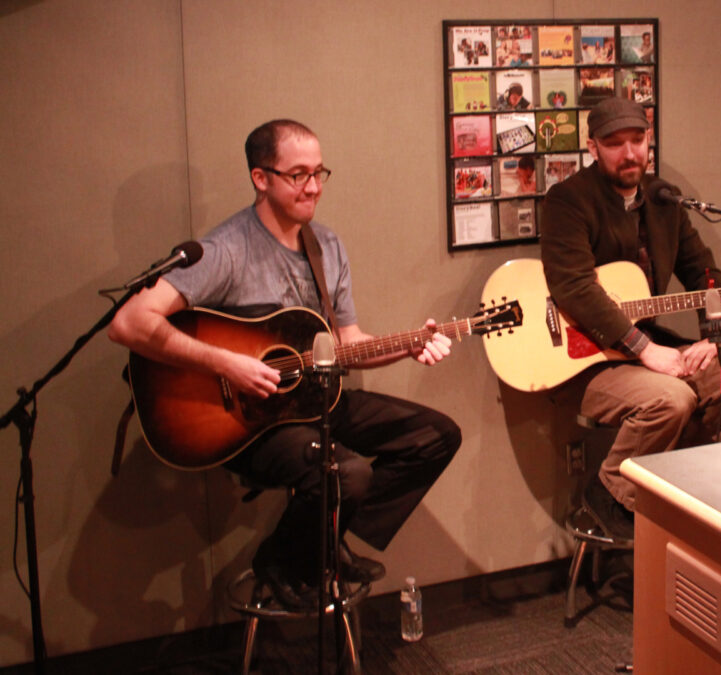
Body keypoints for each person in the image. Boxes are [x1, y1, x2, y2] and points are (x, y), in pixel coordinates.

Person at [108, 119, 462, 607]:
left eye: (319, 172)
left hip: (315, 401)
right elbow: (129, 322)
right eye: (298, 174)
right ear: (261, 178)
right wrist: (227, 364)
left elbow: (348, 342)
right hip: (248, 423)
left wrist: (407, 346)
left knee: (436, 437)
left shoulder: (327, 247)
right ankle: (283, 561)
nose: (313, 187)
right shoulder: (226, 250)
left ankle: (321, 546)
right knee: (347, 473)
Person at [540, 98, 721, 539]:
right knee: (671, 400)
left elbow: (705, 271)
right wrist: (645, 351)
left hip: (648, 347)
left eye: (637, 140)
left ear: (649, 140)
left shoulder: (664, 199)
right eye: (614, 143)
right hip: (583, 360)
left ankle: (674, 490)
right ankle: (611, 490)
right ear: (593, 147)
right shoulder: (568, 201)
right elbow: (576, 288)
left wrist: (712, 338)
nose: (629, 153)